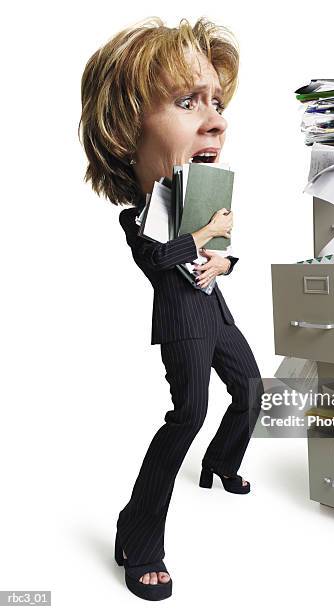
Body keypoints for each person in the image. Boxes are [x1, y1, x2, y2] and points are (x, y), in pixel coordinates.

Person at [78, 16, 264, 601]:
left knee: (253, 390)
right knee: (186, 416)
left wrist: (222, 260)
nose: (217, 119)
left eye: (216, 101)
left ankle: (221, 465)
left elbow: (225, 256)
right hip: (184, 327)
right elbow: (161, 261)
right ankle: (138, 535)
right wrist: (207, 234)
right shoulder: (137, 220)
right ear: (126, 131)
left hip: (218, 315)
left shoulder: (205, 195)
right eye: (187, 101)